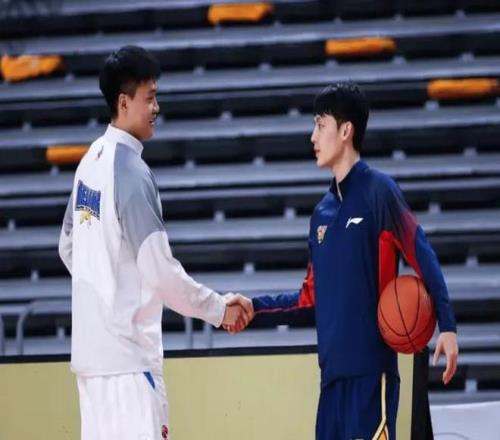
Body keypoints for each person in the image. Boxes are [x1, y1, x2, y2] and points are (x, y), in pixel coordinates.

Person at [226, 82, 459, 440]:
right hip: (331, 384)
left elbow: (422, 253)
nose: (313, 137)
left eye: (320, 125)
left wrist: (448, 326)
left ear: (346, 130)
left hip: (371, 378)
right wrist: (254, 308)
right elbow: (309, 302)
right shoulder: (321, 214)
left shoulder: (379, 192)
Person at [58, 45, 251, 440]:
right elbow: (160, 272)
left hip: (91, 367)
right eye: (150, 98)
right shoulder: (131, 171)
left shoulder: (89, 162)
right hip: (130, 367)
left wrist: (108, 293)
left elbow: (68, 246)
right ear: (123, 102)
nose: (156, 108)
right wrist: (219, 310)